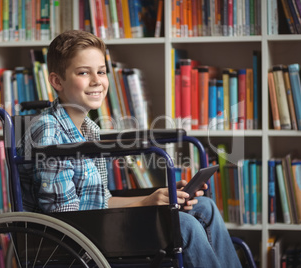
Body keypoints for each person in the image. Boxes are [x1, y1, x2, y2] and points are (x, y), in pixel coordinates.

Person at [19, 29, 242, 268]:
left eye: (102, 72)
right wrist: (145, 204)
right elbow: (64, 216)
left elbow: (102, 200)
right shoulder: (48, 129)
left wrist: (159, 197)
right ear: (57, 81)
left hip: (94, 225)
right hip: (72, 239)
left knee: (204, 206)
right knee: (183, 225)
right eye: (84, 72)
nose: (97, 81)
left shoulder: (90, 129)